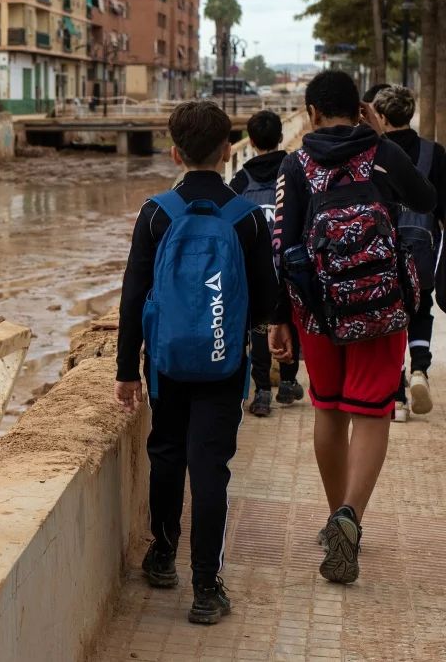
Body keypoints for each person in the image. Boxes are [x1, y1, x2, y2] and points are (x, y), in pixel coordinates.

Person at [269, 71, 437, 585]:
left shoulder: (295, 164)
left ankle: (333, 518)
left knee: (328, 408)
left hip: (318, 312)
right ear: (361, 109)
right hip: (381, 306)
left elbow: (282, 245)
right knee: (371, 412)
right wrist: (383, 139)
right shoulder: (381, 152)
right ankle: (352, 516)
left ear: (311, 112)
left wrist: (279, 318)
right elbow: (425, 200)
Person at [115, 101, 278, 625]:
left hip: (165, 363)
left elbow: (133, 296)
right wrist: (265, 340)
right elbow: (265, 301)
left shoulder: (155, 213)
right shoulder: (247, 218)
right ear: (229, 150)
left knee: (166, 454)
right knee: (210, 468)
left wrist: (125, 370)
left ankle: (162, 555)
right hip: (223, 363)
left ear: (174, 153)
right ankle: (207, 588)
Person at [370, 85, 445, 421]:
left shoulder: (374, 152)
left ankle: (397, 398)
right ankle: (420, 370)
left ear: (382, 117)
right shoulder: (434, 153)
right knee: (421, 309)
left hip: (382, 250)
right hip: (422, 249)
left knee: (389, 318)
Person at [230, 110, 305, 417]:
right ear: (280, 137)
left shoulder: (240, 179)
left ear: (251, 140)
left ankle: (261, 391)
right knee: (290, 319)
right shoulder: (295, 171)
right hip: (290, 263)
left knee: (260, 326)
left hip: (254, 268)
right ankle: (287, 382)